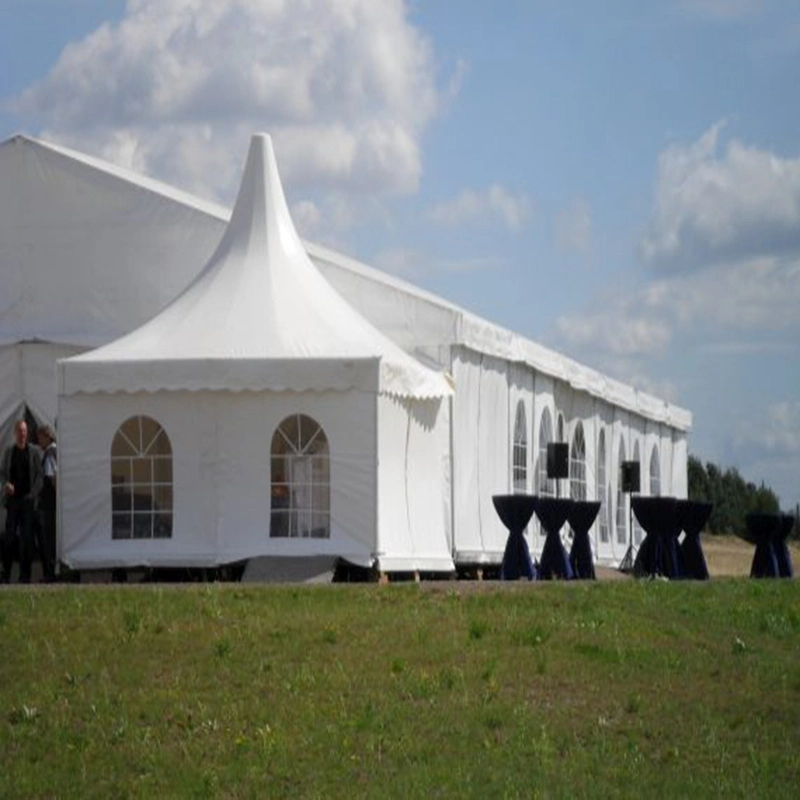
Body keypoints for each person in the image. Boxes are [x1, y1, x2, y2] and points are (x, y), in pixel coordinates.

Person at [1, 420, 43, 583]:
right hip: (12, 501)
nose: (22, 433)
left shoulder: (33, 452)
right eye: (19, 430)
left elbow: (40, 476)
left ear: (27, 433)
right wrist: (6, 484)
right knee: (9, 538)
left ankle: (25, 576)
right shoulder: (9, 452)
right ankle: (6, 574)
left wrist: (33, 493)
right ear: (15, 433)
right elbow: (2, 473)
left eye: (24, 431)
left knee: (27, 539)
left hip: (27, 502)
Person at [37, 425, 58, 582]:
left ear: (46, 436)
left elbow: (52, 478)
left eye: (40, 438)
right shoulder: (57, 450)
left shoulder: (50, 453)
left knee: (48, 540)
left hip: (49, 504)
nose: (39, 441)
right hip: (54, 504)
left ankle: (50, 573)